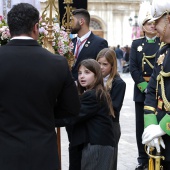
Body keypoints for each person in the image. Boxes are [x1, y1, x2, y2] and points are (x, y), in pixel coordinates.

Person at [0, 3, 80, 170]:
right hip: (43, 153)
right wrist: (46, 114)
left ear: (9, 28)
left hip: (5, 152)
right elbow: (71, 109)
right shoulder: (57, 63)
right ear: (36, 28)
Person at [129, 1, 161, 169]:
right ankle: (142, 159)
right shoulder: (136, 44)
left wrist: (153, 88)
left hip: (158, 91)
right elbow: (133, 67)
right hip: (142, 90)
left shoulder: (162, 43)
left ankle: (156, 156)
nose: (153, 26)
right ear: (143, 26)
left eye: (155, 24)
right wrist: (143, 86)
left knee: (156, 123)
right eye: (149, 24)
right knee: (140, 125)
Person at [71, 59, 116, 170]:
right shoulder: (94, 92)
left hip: (97, 145)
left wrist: (50, 119)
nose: (82, 76)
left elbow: (74, 116)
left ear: (96, 75)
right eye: (80, 73)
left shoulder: (93, 94)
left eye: (87, 72)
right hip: (97, 144)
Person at [142, 0, 170, 169]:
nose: (154, 30)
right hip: (162, 140)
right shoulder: (163, 52)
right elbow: (152, 90)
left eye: (156, 23)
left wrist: (163, 127)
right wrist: (151, 125)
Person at [96, 48, 126, 170]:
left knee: (108, 164)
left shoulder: (118, 83)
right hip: (95, 125)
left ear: (112, 65)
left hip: (110, 126)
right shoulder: (93, 79)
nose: (101, 67)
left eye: (105, 64)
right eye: (99, 63)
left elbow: (115, 108)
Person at [70, 8, 108, 80]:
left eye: (72, 21)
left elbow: (102, 69)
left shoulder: (99, 43)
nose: (69, 24)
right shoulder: (70, 42)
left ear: (81, 21)